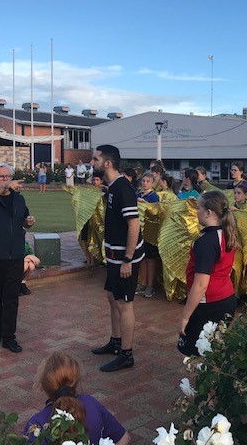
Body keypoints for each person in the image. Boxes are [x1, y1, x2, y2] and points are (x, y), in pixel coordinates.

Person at [90, 145, 144, 372]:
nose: (92, 163)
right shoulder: (112, 187)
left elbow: (134, 224)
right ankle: (115, 341)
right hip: (114, 256)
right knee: (113, 298)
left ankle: (126, 354)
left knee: (124, 303)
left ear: (108, 163)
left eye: (95, 159)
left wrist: (127, 259)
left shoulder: (123, 189)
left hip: (124, 257)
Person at [0, 163, 35, 353]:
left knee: (11, 299)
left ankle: (9, 337)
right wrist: (5, 187)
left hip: (14, 256)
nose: (4, 179)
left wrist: (29, 222)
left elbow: (24, 223)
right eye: (0, 177)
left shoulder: (19, 199)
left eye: (7, 176)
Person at [178, 190, 238, 356]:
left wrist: (185, 316)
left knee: (198, 351)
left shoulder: (206, 241)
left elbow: (200, 284)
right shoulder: (226, 232)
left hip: (210, 303)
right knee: (215, 349)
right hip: (226, 297)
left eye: (198, 208)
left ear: (208, 212)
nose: (196, 212)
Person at [25, 351, 130, 445]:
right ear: (76, 380)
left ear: (43, 385)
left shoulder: (36, 424)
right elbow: (124, 438)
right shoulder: (90, 403)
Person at [137, 172, 160, 298]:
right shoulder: (138, 194)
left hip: (150, 232)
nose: (145, 183)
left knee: (150, 259)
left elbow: (155, 212)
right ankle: (143, 282)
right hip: (139, 230)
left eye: (147, 181)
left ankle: (150, 286)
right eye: (143, 181)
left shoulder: (153, 196)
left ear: (152, 183)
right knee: (141, 258)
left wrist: (145, 204)